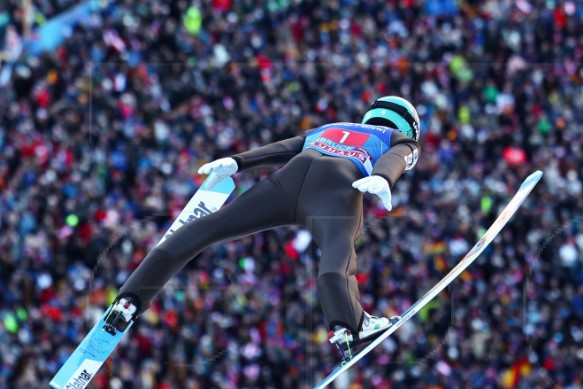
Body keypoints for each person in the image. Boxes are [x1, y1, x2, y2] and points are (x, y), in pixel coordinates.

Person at [105, 96, 421, 359]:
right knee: (337, 254)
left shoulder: (332, 127)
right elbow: (401, 153)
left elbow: (284, 147)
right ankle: (349, 325)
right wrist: (383, 176)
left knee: (212, 226)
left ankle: (130, 298)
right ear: (409, 126)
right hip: (335, 188)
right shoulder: (395, 137)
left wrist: (237, 161)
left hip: (287, 180)